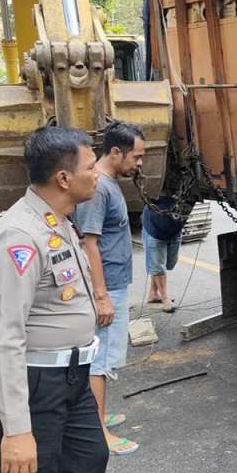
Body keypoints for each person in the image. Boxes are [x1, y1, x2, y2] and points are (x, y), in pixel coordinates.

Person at [0, 126, 107, 473]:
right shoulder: (19, 236)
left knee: (89, 461)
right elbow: (5, 337)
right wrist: (17, 429)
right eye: (90, 167)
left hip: (72, 379)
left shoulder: (58, 221)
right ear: (64, 178)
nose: (97, 174)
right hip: (34, 385)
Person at [72, 121, 145, 455]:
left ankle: (98, 415)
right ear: (116, 152)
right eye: (136, 157)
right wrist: (101, 296)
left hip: (115, 282)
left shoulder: (110, 183)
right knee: (98, 361)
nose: (139, 163)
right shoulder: (99, 188)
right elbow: (89, 243)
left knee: (106, 357)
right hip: (106, 286)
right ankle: (98, 431)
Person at [141, 193, 187, 313]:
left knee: (170, 263)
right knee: (158, 266)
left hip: (174, 229)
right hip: (155, 228)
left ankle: (153, 294)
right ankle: (165, 298)